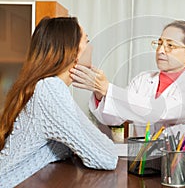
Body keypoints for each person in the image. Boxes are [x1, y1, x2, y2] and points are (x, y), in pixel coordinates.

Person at [0, 17, 118, 188]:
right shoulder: (50, 89)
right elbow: (107, 156)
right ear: (72, 52)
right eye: (87, 40)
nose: (91, 47)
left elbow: (77, 142)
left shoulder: (48, 86)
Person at [71, 20, 185, 135]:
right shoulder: (142, 80)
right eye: (159, 43)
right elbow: (113, 119)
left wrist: (108, 89)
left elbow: (159, 111)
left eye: (170, 46)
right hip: (142, 160)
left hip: (175, 162)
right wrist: (100, 93)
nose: (160, 51)